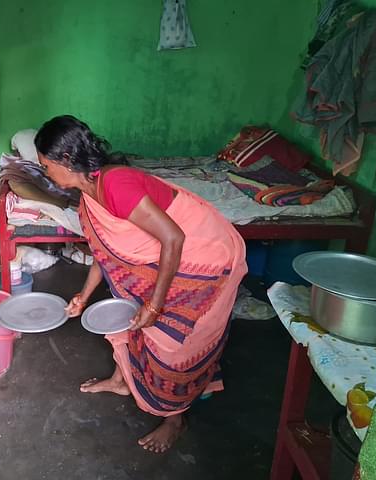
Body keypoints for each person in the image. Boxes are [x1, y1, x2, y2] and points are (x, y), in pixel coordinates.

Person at [34, 115, 247, 453]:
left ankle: (176, 420)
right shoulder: (88, 195)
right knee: (127, 313)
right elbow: (105, 253)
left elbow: (174, 238)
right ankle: (122, 381)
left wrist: (154, 304)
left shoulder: (116, 185)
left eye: (46, 165)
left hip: (204, 256)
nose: (45, 173)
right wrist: (83, 296)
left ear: (66, 161)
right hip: (171, 254)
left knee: (175, 343)